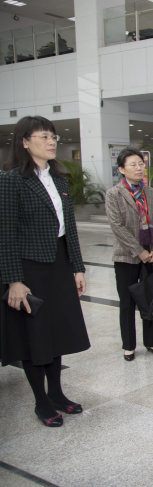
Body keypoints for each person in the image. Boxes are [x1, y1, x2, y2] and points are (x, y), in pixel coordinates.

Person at [0, 116, 90, 427]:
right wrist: (14, 280)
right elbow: (5, 234)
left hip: (59, 265)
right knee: (34, 337)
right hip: (29, 269)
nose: (51, 141)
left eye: (53, 136)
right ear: (24, 142)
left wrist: (77, 268)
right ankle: (41, 401)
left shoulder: (59, 180)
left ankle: (57, 393)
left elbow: (70, 230)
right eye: (42, 136)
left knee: (57, 332)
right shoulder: (11, 180)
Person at [106, 147, 153, 360]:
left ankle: (151, 341)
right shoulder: (114, 194)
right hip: (126, 256)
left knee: (150, 298)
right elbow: (117, 226)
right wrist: (139, 251)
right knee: (127, 302)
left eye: (141, 164)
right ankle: (129, 345)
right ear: (122, 169)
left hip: (151, 256)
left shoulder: (151, 192)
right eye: (133, 164)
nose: (139, 168)